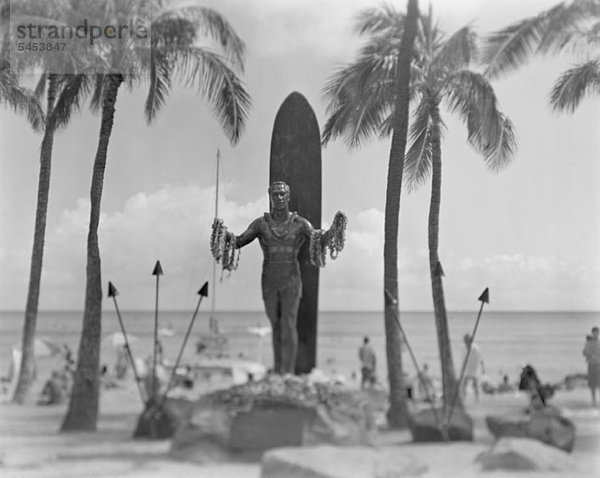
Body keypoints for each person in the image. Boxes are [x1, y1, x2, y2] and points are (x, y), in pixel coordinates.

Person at [212, 181, 346, 374]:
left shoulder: (300, 224)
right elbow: (239, 242)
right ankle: (279, 369)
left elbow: (319, 241)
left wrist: (334, 230)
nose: (279, 198)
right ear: (270, 196)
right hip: (269, 280)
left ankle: (288, 373)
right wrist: (221, 233)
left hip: (291, 279)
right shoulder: (261, 224)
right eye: (275, 194)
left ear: (289, 196)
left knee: (289, 323)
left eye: (283, 194)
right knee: (275, 325)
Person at [461, 334, 485, 402]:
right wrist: (462, 369)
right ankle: (463, 398)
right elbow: (463, 359)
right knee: (464, 385)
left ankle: (477, 399)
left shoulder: (475, 348)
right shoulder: (464, 348)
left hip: (474, 369)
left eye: (466, 340)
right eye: (464, 340)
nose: (465, 342)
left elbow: (481, 358)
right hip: (467, 369)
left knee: (475, 385)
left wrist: (483, 368)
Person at [583, 326, 600, 406]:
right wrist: (590, 355)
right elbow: (584, 352)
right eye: (594, 332)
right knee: (592, 384)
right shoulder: (588, 343)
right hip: (591, 364)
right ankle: (594, 400)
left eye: (597, 332)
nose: (596, 334)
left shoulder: (599, 342)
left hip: (599, 365)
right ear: (592, 333)